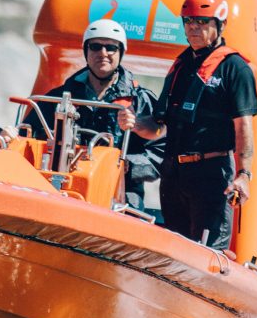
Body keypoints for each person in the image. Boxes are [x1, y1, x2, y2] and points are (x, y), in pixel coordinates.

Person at [117, 0, 257, 250]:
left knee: (207, 252)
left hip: (211, 174)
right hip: (173, 175)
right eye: (189, 21)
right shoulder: (180, 67)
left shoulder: (235, 68)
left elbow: (244, 126)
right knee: (173, 249)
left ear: (220, 25)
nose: (194, 27)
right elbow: (158, 127)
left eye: (202, 22)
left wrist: (244, 174)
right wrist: (134, 122)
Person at [23, 19, 163, 210]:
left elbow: (161, 153)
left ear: (121, 52)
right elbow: (29, 133)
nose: (103, 54)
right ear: (86, 51)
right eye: (95, 47)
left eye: (111, 48)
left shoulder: (140, 100)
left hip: (120, 193)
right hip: (64, 186)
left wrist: (126, 165)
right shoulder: (59, 97)